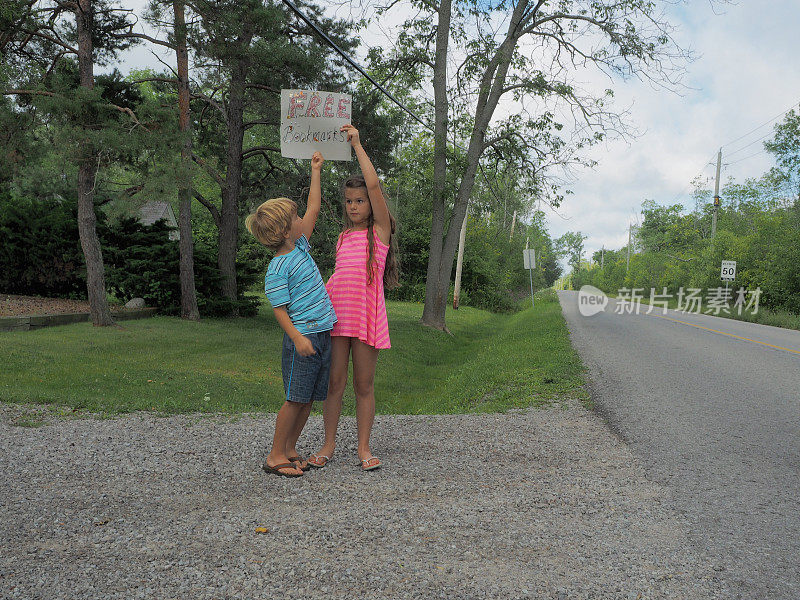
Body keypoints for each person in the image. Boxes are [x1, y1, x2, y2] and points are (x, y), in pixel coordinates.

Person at [308, 124, 399, 472]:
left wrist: (358, 144)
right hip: (336, 319)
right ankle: (328, 444)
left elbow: (373, 184)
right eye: (349, 201)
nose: (354, 206)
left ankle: (363, 447)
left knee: (363, 384)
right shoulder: (343, 238)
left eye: (359, 201)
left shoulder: (380, 232)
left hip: (365, 319)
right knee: (334, 384)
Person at [245, 151, 335, 477]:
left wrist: (316, 171)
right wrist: (297, 337)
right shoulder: (278, 268)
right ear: (285, 231)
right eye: (295, 220)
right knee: (295, 398)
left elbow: (313, 208)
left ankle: (289, 448)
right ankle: (274, 456)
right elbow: (279, 310)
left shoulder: (300, 246)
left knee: (309, 398)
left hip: (322, 333)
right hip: (304, 337)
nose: (303, 221)